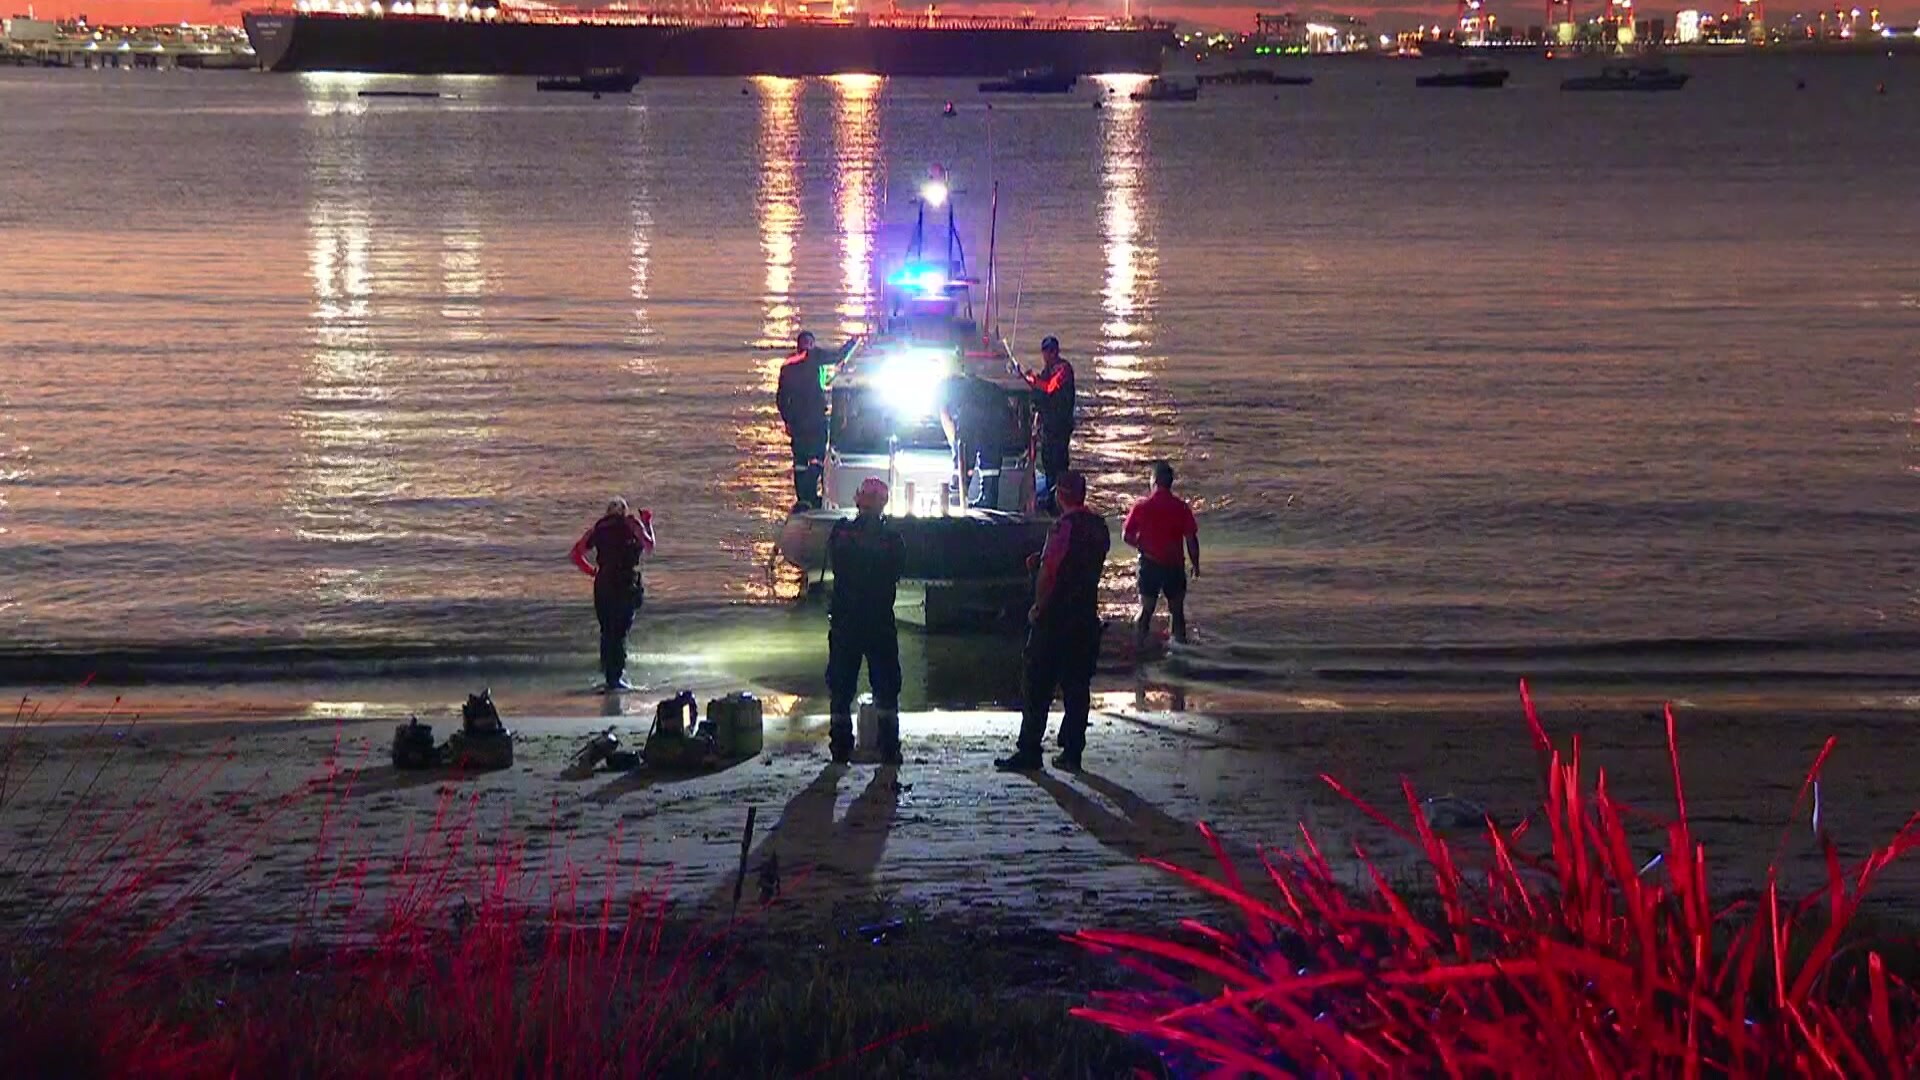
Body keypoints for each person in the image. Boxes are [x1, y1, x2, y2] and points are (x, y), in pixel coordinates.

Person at [996, 471, 1109, 772]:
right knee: (1076, 686)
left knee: (1036, 683)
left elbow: (1051, 572)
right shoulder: (1100, 528)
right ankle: (1072, 752)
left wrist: (1038, 605)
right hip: (1085, 615)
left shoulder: (1061, 528)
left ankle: (1030, 750)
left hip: (1056, 617)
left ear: (1061, 495)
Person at [826, 478, 906, 765]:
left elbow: (836, 566)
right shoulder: (892, 539)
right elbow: (897, 570)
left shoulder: (843, 534)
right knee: (886, 687)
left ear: (859, 499)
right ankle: (889, 748)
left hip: (847, 620)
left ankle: (840, 747)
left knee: (841, 687)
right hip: (879, 621)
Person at [570, 497, 655, 692]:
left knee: (607, 631)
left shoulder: (598, 529)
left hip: (603, 583)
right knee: (620, 631)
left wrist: (592, 571)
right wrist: (648, 522)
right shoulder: (631, 523)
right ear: (624, 511)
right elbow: (649, 546)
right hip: (625, 583)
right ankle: (616, 679)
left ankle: (610, 677)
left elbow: (576, 554)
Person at [1122, 460, 1200, 651]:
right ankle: (1179, 651)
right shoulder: (1181, 507)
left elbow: (1126, 536)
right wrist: (1195, 565)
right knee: (1177, 612)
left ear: (1154, 481)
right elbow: (1191, 539)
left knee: (1146, 610)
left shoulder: (1142, 507)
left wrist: (1142, 546)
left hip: (1150, 564)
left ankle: (1139, 647)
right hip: (1174, 566)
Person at [777, 330, 856, 511]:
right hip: (816, 420)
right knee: (818, 458)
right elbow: (838, 356)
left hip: (797, 423)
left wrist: (788, 420)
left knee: (800, 462)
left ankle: (803, 498)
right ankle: (811, 494)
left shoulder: (787, 366)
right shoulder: (815, 356)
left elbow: (781, 399)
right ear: (810, 344)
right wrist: (853, 342)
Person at [1018, 336, 1075, 514]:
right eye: (1045, 352)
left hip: (1060, 427)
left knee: (1059, 465)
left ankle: (1060, 501)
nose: (1047, 355)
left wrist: (1032, 379)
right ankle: (1051, 498)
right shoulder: (1048, 370)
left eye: (1050, 351)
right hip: (1049, 427)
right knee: (1049, 463)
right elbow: (1040, 392)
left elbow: (1050, 387)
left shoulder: (1063, 369)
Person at [938, 372, 1011, 510]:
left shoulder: (947, 393)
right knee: (990, 460)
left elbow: (947, 421)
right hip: (997, 412)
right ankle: (988, 499)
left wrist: (955, 446)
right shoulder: (971, 386)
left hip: (976, 412)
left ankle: (957, 497)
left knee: (964, 455)